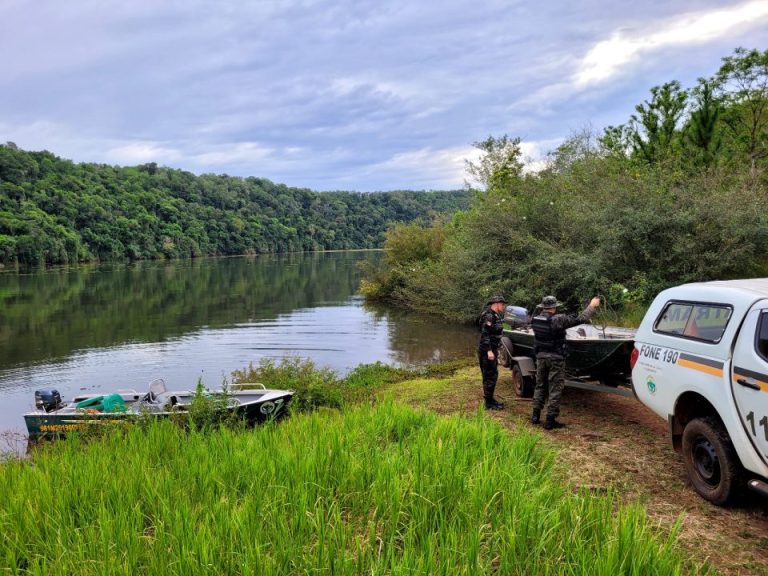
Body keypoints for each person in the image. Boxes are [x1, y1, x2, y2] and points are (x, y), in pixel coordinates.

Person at [530, 295, 601, 429]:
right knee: (555, 388)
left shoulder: (535, 319)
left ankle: (535, 415)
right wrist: (592, 306)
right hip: (556, 358)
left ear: (543, 307)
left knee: (540, 385)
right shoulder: (558, 319)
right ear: (554, 307)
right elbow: (582, 318)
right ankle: (550, 420)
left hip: (540, 357)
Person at [478, 295, 508, 410]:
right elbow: (484, 335)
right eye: (502, 303)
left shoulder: (496, 315)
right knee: (489, 375)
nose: (504, 306)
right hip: (487, 351)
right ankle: (488, 404)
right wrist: (489, 351)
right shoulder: (489, 316)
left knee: (492, 375)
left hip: (492, 349)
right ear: (496, 303)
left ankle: (490, 399)